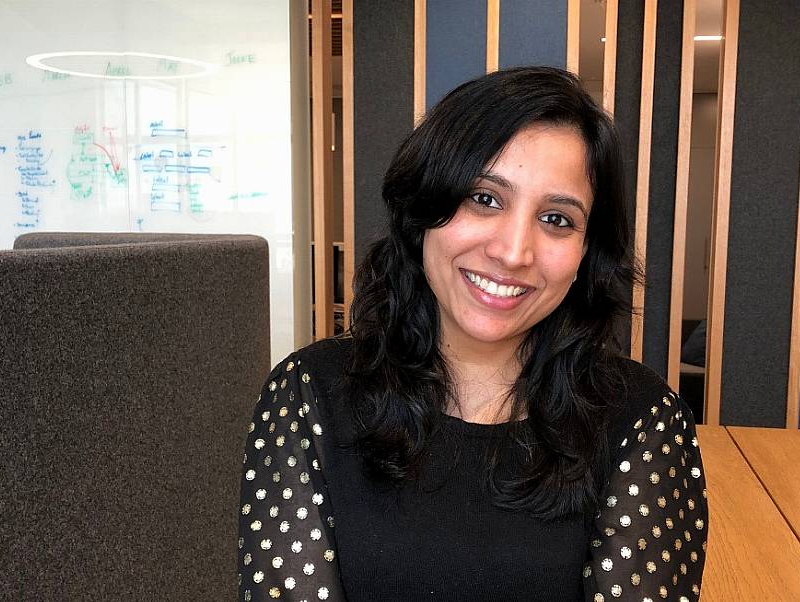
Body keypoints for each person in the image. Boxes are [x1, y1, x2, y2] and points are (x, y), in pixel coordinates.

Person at [236, 66, 708, 602]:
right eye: (485, 198)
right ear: (425, 209)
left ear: (585, 255)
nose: (513, 251)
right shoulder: (308, 395)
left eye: (556, 219)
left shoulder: (642, 419)